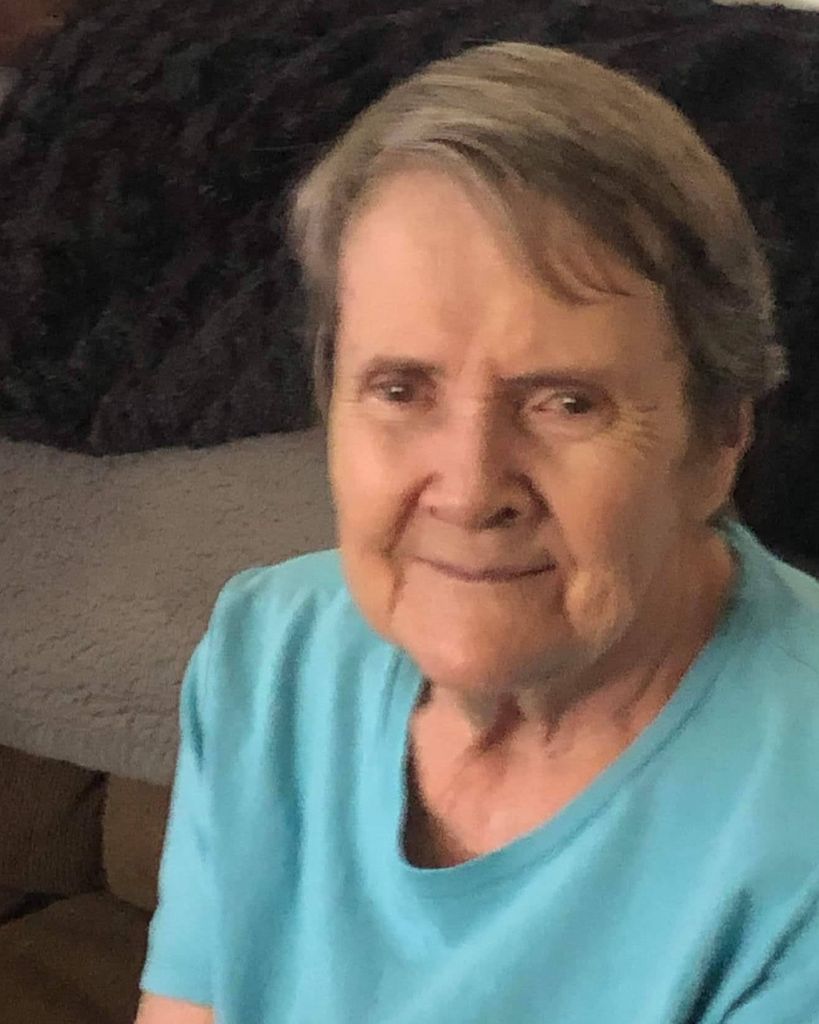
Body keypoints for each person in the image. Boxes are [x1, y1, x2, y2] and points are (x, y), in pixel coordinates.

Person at [135, 42, 819, 1024]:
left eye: (566, 402)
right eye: (400, 389)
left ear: (717, 442)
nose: (467, 490)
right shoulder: (270, 655)